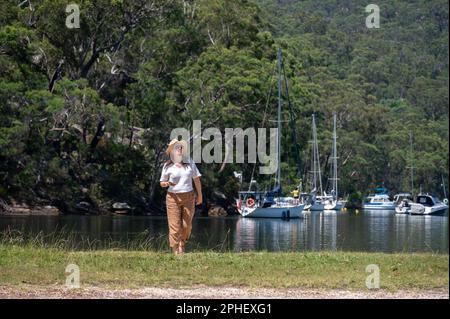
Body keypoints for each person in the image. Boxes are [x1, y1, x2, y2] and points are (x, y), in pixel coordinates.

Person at [160, 139, 202, 255]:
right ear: (172, 151)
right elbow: (162, 182)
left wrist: (200, 195)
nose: (179, 149)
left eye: (180, 147)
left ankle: (182, 243)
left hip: (189, 196)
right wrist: (167, 183)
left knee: (186, 225)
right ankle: (175, 250)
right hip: (172, 197)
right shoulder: (167, 166)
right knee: (174, 225)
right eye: (176, 147)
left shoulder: (189, 163)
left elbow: (196, 179)